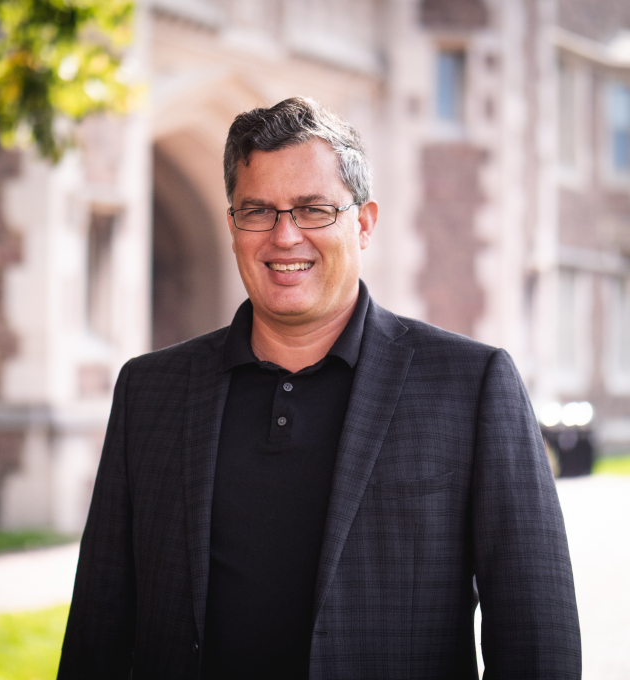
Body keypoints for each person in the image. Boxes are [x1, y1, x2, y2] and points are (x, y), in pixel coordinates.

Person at [58, 97, 581, 680]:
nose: (285, 236)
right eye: (257, 210)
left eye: (313, 210)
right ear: (233, 226)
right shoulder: (149, 391)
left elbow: (538, 637)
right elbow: (97, 631)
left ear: (363, 224)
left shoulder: (470, 386)